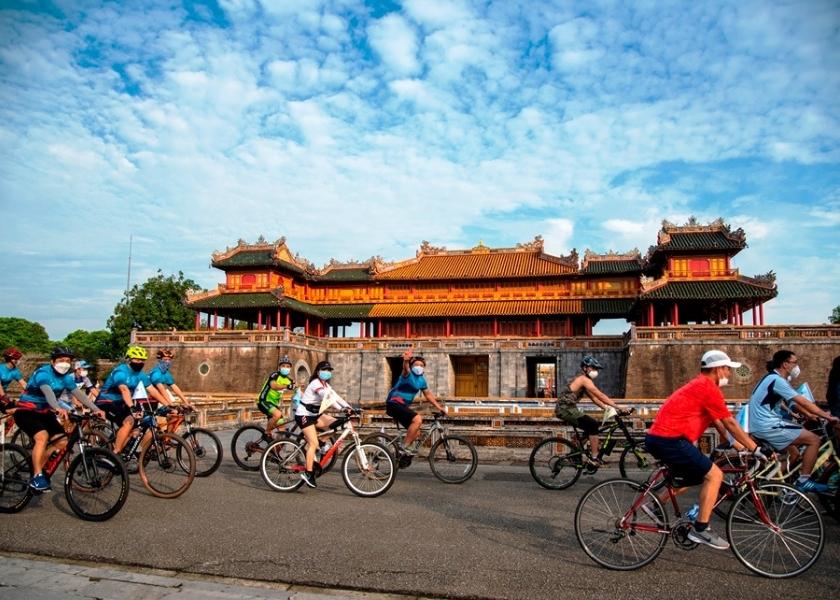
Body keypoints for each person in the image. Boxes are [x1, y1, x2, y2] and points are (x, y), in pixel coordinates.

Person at [645, 350, 763, 550]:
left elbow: (720, 425)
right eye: (727, 369)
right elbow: (731, 424)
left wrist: (739, 447)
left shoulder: (700, 386)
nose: (729, 373)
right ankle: (700, 529)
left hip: (663, 438)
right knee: (715, 475)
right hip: (671, 440)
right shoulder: (707, 388)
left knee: (698, 476)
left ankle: (656, 503)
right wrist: (756, 449)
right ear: (717, 369)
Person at [747, 350, 839, 493]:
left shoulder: (770, 378)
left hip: (761, 424)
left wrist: (809, 414)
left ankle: (768, 485)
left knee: (794, 453)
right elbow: (801, 401)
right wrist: (827, 416)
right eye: (794, 362)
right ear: (785, 364)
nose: (796, 366)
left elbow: (795, 403)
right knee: (814, 440)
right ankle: (804, 481)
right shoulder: (778, 381)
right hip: (768, 425)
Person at [15, 347, 104, 492]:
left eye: (68, 361)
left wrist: (96, 409)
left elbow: (78, 393)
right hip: (27, 411)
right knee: (42, 437)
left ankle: (39, 467)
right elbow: (47, 391)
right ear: (52, 361)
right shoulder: (43, 373)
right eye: (61, 360)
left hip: (44, 412)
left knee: (62, 441)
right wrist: (57, 407)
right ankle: (37, 476)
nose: (65, 363)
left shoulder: (66, 378)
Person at [554, 355, 630, 464]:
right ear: (585, 368)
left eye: (596, 369)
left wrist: (607, 409)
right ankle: (594, 458)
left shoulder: (585, 380)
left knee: (590, 427)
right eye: (593, 368)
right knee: (593, 424)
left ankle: (575, 450)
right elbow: (600, 395)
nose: (595, 371)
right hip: (566, 409)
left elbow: (594, 398)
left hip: (568, 409)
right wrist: (618, 407)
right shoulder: (583, 379)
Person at [95, 345, 169, 454]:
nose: (140, 362)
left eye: (142, 360)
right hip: (106, 401)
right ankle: (114, 454)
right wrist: (132, 407)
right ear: (129, 359)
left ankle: (119, 453)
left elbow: (152, 390)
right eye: (137, 359)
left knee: (135, 431)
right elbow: (124, 390)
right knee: (129, 422)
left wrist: (168, 404)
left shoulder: (140, 374)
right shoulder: (120, 371)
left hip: (121, 403)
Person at [295, 360, 352, 488]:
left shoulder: (325, 384)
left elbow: (336, 397)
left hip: (315, 415)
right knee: (313, 444)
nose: (327, 372)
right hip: (304, 415)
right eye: (324, 370)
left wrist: (350, 407)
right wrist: (341, 409)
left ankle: (319, 443)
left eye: (329, 370)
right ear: (318, 371)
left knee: (336, 423)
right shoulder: (315, 383)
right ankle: (308, 473)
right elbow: (326, 397)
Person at [385, 349, 445, 455]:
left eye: (421, 365)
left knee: (416, 433)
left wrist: (439, 407)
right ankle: (403, 447)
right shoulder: (407, 375)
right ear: (412, 367)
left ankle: (398, 456)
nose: (419, 367)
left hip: (402, 406)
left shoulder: (422, 380)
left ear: (424, 368)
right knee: (417, 419)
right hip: (394, 403)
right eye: (416, 365)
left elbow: (428, 395)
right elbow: (405, 368)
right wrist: (406, 361)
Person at [148, 349, 195, 432]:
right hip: (151, 400)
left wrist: (186, 402)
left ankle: (168, 438)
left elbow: (175, 387)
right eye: (165, 359)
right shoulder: (155, 373)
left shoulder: (166, 373)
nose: (167, 362)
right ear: (160, 360)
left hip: (161, 398)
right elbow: (161, 389)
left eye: (169, 360)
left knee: (176, 415)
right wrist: (171, 404)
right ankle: (165, 437)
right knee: (173, 412)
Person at [255, 355, 295, 437]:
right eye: (283, 365)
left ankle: (274, 448)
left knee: (282, 430)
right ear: (279, 367)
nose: (285, 368)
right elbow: (273, 386)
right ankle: (267, 432)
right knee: (277, 414)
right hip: (264, 401)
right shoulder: (275, 375)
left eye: (287, 366)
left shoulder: (289, 380)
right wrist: (287, 386)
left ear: (290, 368)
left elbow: (297, 390)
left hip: (274, 405)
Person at [0, 347, 27, 412]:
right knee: (6, 408)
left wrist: (35, 392)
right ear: (11, 359)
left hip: (2, 396)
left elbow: (24, 384)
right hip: (1, 395)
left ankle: (8, 422)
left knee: (21, 407)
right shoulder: (0, 368)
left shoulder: (15, 371)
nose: (19, 361)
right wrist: (3, 396)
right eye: (17, 359)